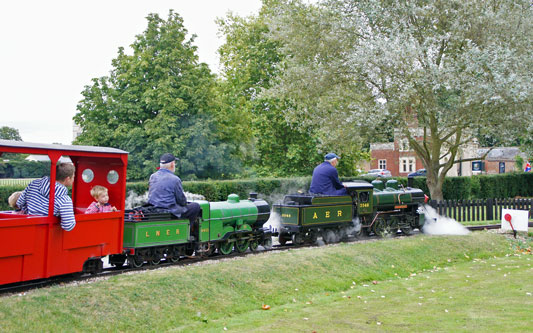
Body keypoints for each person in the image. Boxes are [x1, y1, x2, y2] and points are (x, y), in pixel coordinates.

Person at [16, 163, 76, 231]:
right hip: (46, 232)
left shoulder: (34, 184)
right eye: (73, 177)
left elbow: (19, 203)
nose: (74, 179)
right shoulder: (64, 200)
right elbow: (68, 226)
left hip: (27, 228)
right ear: (67, 179)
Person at [148, 153, 201, 225]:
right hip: (169, 211)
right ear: (172, 164)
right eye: (175, 163)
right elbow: (182, 201)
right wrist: (186, 203)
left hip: (154, 209)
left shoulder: (152, 176)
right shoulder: (175, 179)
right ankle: (187, 230)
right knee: (195, 206)